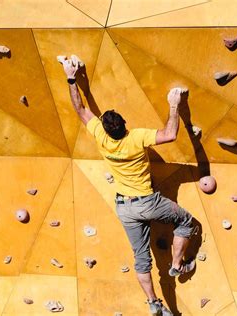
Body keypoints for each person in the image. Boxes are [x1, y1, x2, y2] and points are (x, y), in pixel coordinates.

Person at [58, 55, 195, 316]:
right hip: (148, 202)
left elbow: (81, 109)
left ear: (106, 130)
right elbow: (170, 134)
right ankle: (177, 265)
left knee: (142, 259)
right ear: (125, 126)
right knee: (186, 222)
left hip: (125, 208)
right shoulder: (136, 137)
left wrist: (71, 77)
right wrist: (174, 105)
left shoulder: (101, 136)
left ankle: (154, 304)